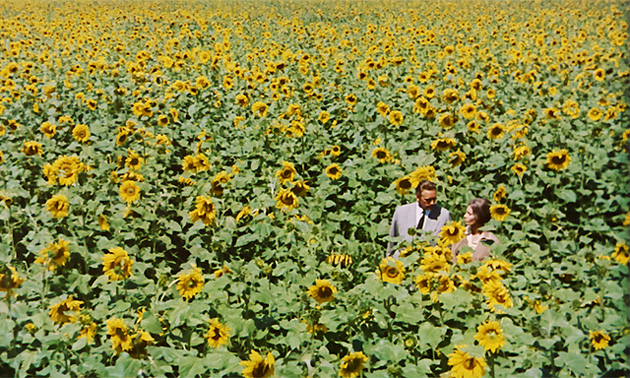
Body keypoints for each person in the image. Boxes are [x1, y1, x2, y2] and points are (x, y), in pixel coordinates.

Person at [387, 179, 450, 257]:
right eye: (428, 200)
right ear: (417, 196)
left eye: (434, 199)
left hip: (430, 262)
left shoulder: (443, 215)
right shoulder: (401, 212)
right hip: (403, 260)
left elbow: (448, 245)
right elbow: (392, 241)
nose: (432, 203)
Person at [451, 198, 499, 263]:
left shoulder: (490, 240)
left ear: (479, 216)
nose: (465, 216)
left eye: (469, 214)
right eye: (466, 212)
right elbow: (452, 257)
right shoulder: (459, 234)